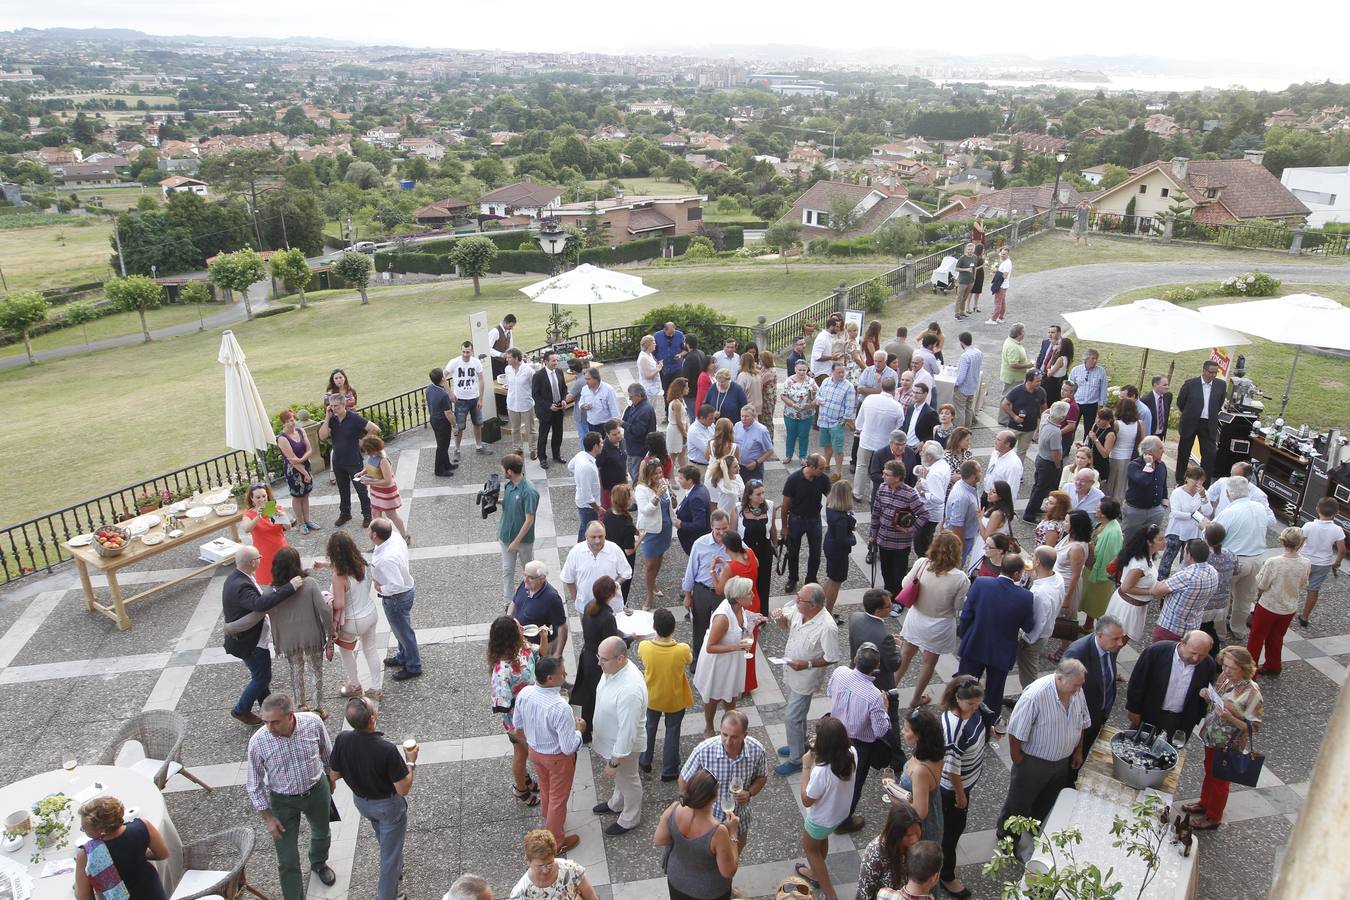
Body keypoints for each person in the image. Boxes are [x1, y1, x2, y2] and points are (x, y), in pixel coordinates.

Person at [247, 693, 336, 898]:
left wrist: (330, 778)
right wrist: (268, 818)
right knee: (287, 859)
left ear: (290, 716)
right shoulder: (258, 742)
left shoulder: (312, 722)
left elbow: (326, 750)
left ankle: (319, 863)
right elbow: (254, 784)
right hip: (282, 800)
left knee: (322, 834)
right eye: (266, 722)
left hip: (316, 789)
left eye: (275, 722)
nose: (269, 728)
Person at [329, 696, 416, 900]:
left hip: (361, 802)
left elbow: (334, 774)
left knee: (384, 835)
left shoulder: (343, 739)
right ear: (372, 718)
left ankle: (396, 865)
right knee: (389, 858)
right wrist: (410, 762)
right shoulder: (386, 750)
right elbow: (403, 788)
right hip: (387, 805)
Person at [995, 660, 1091, 845]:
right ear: (1060, 678)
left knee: (1047, 800)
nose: (1078, 690)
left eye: (1080, 685)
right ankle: (1007, 839)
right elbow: (1016, 731)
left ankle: (1035, 831)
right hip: (1034, 762)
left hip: (1062, 761)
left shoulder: (1076, 691)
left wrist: (1078, 751)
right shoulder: (1035, 695)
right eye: (1075, 686)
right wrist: (1018, 758)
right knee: (1019, 803)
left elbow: (1082, 722)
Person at [223, 547, 302, 726]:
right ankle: (241, 710)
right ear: (252, 562)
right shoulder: (241, 585)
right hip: (251, 642)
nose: (260, 560)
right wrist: (290, 587)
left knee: (259, 675)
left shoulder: (235, 578)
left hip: (245, 639)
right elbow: (259, 604)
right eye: (258, 558)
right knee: (262, 678)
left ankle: (267, 706)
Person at [513, 657, 585, 854]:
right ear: (550, 679)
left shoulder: (525, 693)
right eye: (562, 672)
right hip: (557, 758)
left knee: (545, 786)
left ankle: (548, 815)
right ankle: (556, 840)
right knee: (558, 798)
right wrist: (579, 730)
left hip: (535, 752)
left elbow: (517, 723)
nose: (566, 674)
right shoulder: (560, 706)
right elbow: (569, 746)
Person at [1188, 646, 1264, 832]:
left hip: (1229, 743)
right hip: (1212, 735)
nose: (1226, 671)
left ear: (1244, 668)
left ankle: (1214, 816)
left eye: (1231, 668)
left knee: (1220, 779)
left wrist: (1229, 717)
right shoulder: (1225, 678)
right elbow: (1217, 701)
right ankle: (1205, 802)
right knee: (1209, 770)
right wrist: (1207, 695)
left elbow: (1252, 728)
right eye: (1224, 665)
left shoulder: (1252, 693)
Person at [957, 555, 1036, 729]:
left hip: (975, 642)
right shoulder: (1025, 597)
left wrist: (964, 636)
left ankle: (959, 714)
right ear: (1017, 573)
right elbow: (1029, 626)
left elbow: (967, 613)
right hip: (1002, 650)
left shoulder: (981, 583)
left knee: (965, 683)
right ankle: (988, 723)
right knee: (994, 690)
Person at [771, 583, 841, 776]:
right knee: (798, 715)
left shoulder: (827, 627)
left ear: (813, 605)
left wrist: (807, 664)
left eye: (800, 599)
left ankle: (796, 759)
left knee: (792, 718)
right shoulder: (799, 608)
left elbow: (832, 657)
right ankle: (800, 745)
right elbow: (787, 626)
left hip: (806, 677)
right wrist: (780, 620)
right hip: (791, 671)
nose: (795, 600)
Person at [829, 642, 898, 835]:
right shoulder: (875, 696)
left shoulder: (839, 672)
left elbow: (829, 692)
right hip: (860, 746)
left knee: (833, 773)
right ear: (876, 668)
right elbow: (880, 730)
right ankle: (843, 821)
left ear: (855, 659)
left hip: (835, 735)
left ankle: (830, 807)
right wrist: (885, 709)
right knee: (854, 783)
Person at [895, 532, 970, 708]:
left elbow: (905, 584)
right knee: (929, 662)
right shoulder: (960, 578)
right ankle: (915, 698)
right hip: (940, 623)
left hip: (916, 617)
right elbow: (958, 607)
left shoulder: (922, 564)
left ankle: (890, 688)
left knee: (905, 654)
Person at [679, 710, 769, 855]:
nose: (728, 742)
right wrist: (691, 811)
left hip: (739, 818)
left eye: (734, 737)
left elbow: (762, 777)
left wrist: (750, 792)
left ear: (745, 735)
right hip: (708, 820)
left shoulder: (757, 750)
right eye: (724, 735)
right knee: (707, 858)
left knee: (733, 854)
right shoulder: (704, 750)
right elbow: (683, 780)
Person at [589, 635, 649, 836]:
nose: (599, 663)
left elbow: (627, 731)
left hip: (622, 748)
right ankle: (616, 803)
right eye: (599, 657)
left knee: (628, 780)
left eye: (603, 659)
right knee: (622, 780)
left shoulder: (629, 690)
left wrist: (614, 762)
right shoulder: (612, 669)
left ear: (621, 658)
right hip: (611, 742)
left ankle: (630, 818)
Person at [263, 548, 333, 716]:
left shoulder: (271, 591)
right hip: (311, 634)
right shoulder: (309, 583)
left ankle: (300, 705)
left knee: (296, 670)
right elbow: (323, 610)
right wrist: (330, 632)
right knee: (316, 670)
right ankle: (318, 707)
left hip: (289, 639)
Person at [796, 717, 857, 900]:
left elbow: (807, 799)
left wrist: (806, 766)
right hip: (839, 812)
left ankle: (830, 894)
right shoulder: (852, 752)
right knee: (821, 840)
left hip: (820, 819)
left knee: (811, 849)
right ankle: (815, 874)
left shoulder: (821, 771)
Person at [653, 769, 739, 900]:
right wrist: (733, 833)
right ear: (714, 797)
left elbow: (659, 839)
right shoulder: (718, 831)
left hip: (677, 880)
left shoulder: (674, 808)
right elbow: (728, 871)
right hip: (709, 891)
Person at [488, 615, 545, 807]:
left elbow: (541, 655)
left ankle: (526, 780)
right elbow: (502, 705)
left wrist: (544, 636)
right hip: (517, 721)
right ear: (511, 636)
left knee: (525, 753)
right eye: (519, 628)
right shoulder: (501, 670)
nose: (523, 629)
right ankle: (520, 789)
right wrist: (517, 731)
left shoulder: (523, 648)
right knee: (521, 754)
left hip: (530, 712)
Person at [936, 678, 986, 897]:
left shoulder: (972, 712)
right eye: (971, 704)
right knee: (952, 832)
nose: (975, 708)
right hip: (954, 789)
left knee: (952, 829)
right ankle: (946, 875)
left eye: (978, 703)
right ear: (957, 699)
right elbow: (951, 769)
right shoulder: (954, 728)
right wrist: (960, 794)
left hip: (966, 782)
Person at [74, 795, 170, 900]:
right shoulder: (143, 826)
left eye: (84, 829)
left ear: (100, 830)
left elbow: (83, 897)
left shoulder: (86, 855)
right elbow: (163, 854)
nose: (84, 831)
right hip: (152, 891)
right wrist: (138, 855)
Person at [1127, 630, 1217, 741]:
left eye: (1202, 655)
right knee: (1137, 745)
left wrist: (1196, 718)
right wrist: (1134, 709)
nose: (1196, 659)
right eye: (1193, 653)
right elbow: (1137, 682)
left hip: (1179, 720)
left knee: (1166, 754)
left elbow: (1204, 696)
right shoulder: (1156, 652)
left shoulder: (1208, 665)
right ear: (1183, 643)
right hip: (1149, 713)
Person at [1063, 616, 1129, 764]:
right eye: (1116, 639)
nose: (1120, 643)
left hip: (1097, 717)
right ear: (1100, 635)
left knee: (1082, 756)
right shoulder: (1077, 653)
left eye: (1122, 638)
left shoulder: (1108, 647)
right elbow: (1064, 692)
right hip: (1079, 723)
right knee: (1069, 762)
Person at [1216, 476, 1275, 641]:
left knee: (1223, 598)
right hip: (1257, 559)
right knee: (1245, 599)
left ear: (1228, 493)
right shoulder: (1260, 508)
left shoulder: (1228, 513)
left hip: (1234, 561)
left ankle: (1220, 633)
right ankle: (1239, 629)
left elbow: (1213, 536)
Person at [694, 575, 754, 735]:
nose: (753, 595)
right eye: (749, 593)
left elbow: (742, 625)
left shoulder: (739, 608)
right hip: (718, 663)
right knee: (713, 697)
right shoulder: (723, 618)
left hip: (732, 661)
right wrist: (737, 646)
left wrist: (754, 620)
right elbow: (710, 647)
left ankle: (731, 727)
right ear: (738, 598)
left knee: (731, 696)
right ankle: (709, 727)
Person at [638, 607, 693, 781]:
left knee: (649, 728)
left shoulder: (645, 647)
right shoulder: (682, 649)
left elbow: (641, 653)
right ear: (673, 628)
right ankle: (669, 769)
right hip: (675, 698)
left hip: (652, 696)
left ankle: (645, 760)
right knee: (673, 731)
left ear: (654, 627)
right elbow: (689, 660)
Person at [1250, 527, 1311, 675]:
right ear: (1301, 543)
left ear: (1283, 541)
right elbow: (1303, 583)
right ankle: (1273, 665)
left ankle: (1250, 670)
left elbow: (1262, 584)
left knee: (1256, 637)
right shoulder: (1306, 562)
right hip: (1289, 606)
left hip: (1269, 605)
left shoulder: (1273, 562)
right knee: (1277, 636)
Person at [320, 390, 381, 529]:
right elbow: (322, 436)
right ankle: (345, 513)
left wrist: (362, 442)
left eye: (337, 406)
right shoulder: (332, 420)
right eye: (332, 406)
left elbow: (374, 429)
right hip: (338, 461)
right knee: (343, 489)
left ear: (344, 405)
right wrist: (327, 418)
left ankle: (367, 514)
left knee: (361, 489)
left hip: (354, 461)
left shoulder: (354, 418)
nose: (334, 408)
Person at [714, 533, 763, 692]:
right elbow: (756, 564)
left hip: (740, 607)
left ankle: (737, 682)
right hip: (754, 601)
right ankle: (748, 683)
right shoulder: (749, 554)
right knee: (751, 645)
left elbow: (720, 590)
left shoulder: (730, 568)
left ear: (726, 547)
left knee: (738, 643)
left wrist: (713, 572)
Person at [1103, 523, 1165, 643]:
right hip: (1127, 609)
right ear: (1149, 542)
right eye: (1160, 539)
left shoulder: (1148, 556)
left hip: (1134, 607)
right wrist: (1151, 592)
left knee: (1116, 643)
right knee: (1115, 643)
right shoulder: (1140, 565)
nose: (1165, 541)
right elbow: (1126, 587)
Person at [1015, 546, 1064, 695]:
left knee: (1028, 672)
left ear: (1037, 562)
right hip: (1047, 630)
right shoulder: (1057, 578)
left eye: (1032, 556)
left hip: (1034, 638)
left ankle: (1031, 699)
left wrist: (1026, 640)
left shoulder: (1040, 594)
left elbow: (1038, 621)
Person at [1149, 539, 1218, 644]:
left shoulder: (1186, 576)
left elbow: (1156, 591)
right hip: (1193, 626)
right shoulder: (1213, 571)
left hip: (1171, 627)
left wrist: (1162, 581)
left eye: (1184, 551)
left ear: (1189, 555)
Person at [781, 454, 831, 593]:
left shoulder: (822, 479)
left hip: (814, 519)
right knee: (793, 552)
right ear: (810, 466)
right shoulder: (793, 479)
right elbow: (785, 505)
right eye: (821, 468)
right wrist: (784, 527)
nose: (824, 471)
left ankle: (811, 579)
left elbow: (831, 498)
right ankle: (793, 578)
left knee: (815, 553)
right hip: (796, 519)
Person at [897, 707, 945, 847]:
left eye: (906, 730)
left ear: (918, 735)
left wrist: (895, 796)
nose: (902, 732)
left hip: (920, 830)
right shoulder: (932, 753)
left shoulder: (920, 771)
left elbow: (919, 812)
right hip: (934, 812)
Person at [856, 801, 925, 899]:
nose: (915, 839)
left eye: (917, 833)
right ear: (896, 834)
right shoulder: (876, 853)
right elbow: (865, 891)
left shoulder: (915, 846)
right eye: (909, 835)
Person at [563, 522, 632, 618]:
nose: (597, 540)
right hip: (586, 607)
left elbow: (626, 572)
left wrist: (615, 584)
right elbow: (568, 578)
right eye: (593, 537)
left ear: (605, 535)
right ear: (586, 535)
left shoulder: (614, 549)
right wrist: (576, 600)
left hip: (613, 608)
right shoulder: (576, 552)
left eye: (601, 536)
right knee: (590, 633)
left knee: (613, 632)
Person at [509, 829, 599, 900]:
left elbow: (592, 898)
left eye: (549, 863)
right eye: (539, 866)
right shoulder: (521, 893)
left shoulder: (571, 869)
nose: (545, 870)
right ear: (528, 861)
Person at [1175, 360, 1226, 484]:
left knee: (1209, 455)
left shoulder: (1221, 385)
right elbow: (1180, 402)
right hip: (1190, 422)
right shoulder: (1190, 384)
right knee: (1184, 453)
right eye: (1211, 372)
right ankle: (1181, 480)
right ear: (1204, 370)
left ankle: (1204, 482)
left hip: (1208, 424)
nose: (1213, 375)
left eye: (1215, 372)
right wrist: (1190, 413)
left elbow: (1219, 403)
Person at [1159, 466, 1214, 579]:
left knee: (1186, 562)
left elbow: (1208, 512)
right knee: (1167, 559)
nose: (1198, 483)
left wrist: (1203, 496)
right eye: (1195, 479)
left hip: (1194, 533)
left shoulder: (1204, 493)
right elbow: (1176, 513)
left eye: (1201, 481)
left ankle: (1181, 582)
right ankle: (1161, 581)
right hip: (1177, 531)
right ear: (1187, 478)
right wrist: (1193, 515)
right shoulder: (1177, 492)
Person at [633, 458, 674, 609]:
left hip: (665, 527)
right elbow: (645, 510)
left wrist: (672, 494)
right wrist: (657, 496)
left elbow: (670, 505)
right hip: (650, 530)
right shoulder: (641, 489)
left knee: (660, 556)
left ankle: (654, 582)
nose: (659, 475)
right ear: (648, 475)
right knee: (650, 563)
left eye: (660, 472)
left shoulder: (663, 482)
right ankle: (649, 595)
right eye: (655, 473)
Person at [1301, 496, 1347, 627]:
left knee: (1294, 584)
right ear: (1336, 513)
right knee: (1313, 589)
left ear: (1317, 509)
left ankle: (1287, 609)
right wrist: (1337, 562)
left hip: (1305, 560)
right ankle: (1304, 617)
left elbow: (1298, 542)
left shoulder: (1308, 526)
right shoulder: (1337, 530)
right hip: (1323, 564)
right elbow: (1342, 550)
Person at [509, 560, 568, 658]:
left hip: (539, 648)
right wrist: (508, 620)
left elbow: (562, 627)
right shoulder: (525, 584)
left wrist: (558, 653)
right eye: (525, 575)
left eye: (531, 577)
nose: (525, 580)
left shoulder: (551, 598)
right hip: (520, 643)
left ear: (542, 579)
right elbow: (514, 602)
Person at [1021, 400, 1067, 524]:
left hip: (1040, 458)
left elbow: (1047, 411)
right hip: (1048, 463)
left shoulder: (1045, 419)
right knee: (1041, 489)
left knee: (1037, 486)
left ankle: (1034, 508)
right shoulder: (1056, 432)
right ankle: (1029, 514)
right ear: (1062, 417)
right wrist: (1058, 466)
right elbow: (1056, 452)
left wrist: (1059, 404)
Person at [1051, 510, 1092, 653]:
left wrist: (1067, 597)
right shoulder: (1069, 537)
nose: (1064, 523)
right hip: (1058, 581)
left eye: (1067, 521)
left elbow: (1075, 574)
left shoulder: (1076, 548)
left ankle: (1064, 649)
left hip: (1068, 586)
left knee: (1067, 619)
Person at [1081, 498, 1124, 627]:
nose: (1096, 509)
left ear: (1104, 514)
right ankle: (1088, 625)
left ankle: (1102, 631)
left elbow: (1109, 557)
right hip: (1092, 567)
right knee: (1091, 600)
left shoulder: (1113, 533)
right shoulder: (1103, 524)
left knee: (1098, 604)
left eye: (1098, 508)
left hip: (1101, 573)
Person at [446, 341, 489, 463]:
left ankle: (479, 446)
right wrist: (450, 393)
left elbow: (481, 380)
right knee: (459, 426)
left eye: (468, 352)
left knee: (477, 423)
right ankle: (457, 450)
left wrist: (480, 398)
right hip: (460, 400)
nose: (465, 354)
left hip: (474, 398)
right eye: (463, 352)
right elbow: (443, 376)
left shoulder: (476, 362)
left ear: (472, 351)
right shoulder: (454, 362)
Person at [739, 479, 778, 614]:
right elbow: (733, 532)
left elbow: (772, 528)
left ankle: (762, 612)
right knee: (747, 584)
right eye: (758, 494)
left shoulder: (770, 505)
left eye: (763, 493)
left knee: (763, 583)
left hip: (764, 551)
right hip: (746, 552)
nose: (762, 497)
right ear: (749, 495)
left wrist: (776, 545)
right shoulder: (738, 508)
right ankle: (746, 612)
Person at [241, 482, 290, 587]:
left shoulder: (276, 508)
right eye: (258, 497)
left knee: (287, 578)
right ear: (252, 499)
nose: (262, 499)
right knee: (270, 583)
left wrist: (282, 516)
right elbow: (246, 529)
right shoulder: (249, 514)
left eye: (264, 496)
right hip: (265, 554)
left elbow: (288, 527)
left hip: (281, 549)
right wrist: (258, 516)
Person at [276, 410, 317, 532]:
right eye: (287, 421)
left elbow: (310, 449)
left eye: (292, 420)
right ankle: (300, 523)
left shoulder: (301, 431)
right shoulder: (282, 438)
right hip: (293, 470)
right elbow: (292, 460)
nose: (290, 423)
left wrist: (302, 460)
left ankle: (307, 520)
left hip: (305, 464)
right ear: (283, 423)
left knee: (306, 494)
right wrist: (304, 473)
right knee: (297, 496)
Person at [359, 434, 407, 541]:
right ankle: (379, 539)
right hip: (376, 490)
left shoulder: (383, 460)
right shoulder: (372, 456)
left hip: (386, 491)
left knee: (391, 515)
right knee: (375, 514)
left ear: (373, 449)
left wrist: (370, 482)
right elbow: (369, 466)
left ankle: (404, 535)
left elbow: (388, 481)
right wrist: (362, 472)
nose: (366, 453)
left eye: (367, 450)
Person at [1122, 435, 1169, 541]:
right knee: (1129, 542)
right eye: (1160, 448)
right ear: (1149, 451)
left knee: (1149, 543)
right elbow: (1143, 481)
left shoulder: (1161, 465)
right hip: (1135, 511)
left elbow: (1163, 484)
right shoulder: (1134, 465)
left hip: (1155, 511)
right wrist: (1148, 464)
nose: (1163, 451)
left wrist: (1164, 503)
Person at [815, 362, 856, 481]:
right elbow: (818, 394)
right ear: (832, 372)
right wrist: (819, 400)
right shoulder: (826, 381)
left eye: (843, 372)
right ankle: (826, 464)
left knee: (838, 448)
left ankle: (838, 472)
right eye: (839, 372)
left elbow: (850, 407)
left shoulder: (848, 386)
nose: (842, 374)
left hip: (836, 423)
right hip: (824, 420)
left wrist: (843, 421)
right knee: (826, 444)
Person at [823, 480, 857, 616]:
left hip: (830, 545)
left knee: (831, 578)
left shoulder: (831, 506)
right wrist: (853, 538)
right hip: (838, 551)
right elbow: (843, 540)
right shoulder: (841, 518)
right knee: (836, 581)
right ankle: (828, 612)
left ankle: (818, 604)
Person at [532, 350, 570, 469]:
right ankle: (542, 458)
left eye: (556, 360)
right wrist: (549, 405)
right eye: (553, 360)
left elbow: (563, 388)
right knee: (543, 435)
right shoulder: (538, 376)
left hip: (559, 408)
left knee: (558, 433)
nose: (556, 363)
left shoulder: (559, 371)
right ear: (545, 362)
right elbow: (535, 395)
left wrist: (564, 399)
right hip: (546, 411)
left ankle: (556, 455)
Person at [944, 460, 984, 569]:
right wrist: (959, 548)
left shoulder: (966, 485)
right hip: (962, 538)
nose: (981, 473)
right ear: (972, 476)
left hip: (967, 536)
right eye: (979, 471)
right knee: (955, 567)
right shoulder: (962, 496)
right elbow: (957, 525)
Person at [603, 484, 639, 605]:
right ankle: (621, 605)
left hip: (609, 556)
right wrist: (640, 538)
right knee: (622, 588)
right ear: (626, 501)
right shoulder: (626, 524)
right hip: (624, 560)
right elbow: (629, 550)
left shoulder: (608, 514)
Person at [912, 443, 949, 559]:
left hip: (928, 513)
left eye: (923, 451)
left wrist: (922, 492)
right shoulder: (940, 463)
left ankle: (925, 566)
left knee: (921, 544)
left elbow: (938, 498)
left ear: (929, 457)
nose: (920, 453)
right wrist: (918, 469)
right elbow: (918, 470)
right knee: (925, 540)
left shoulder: (934, 474)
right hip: (929, 512)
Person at [1001, 369, 1047, 461]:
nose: (1039, 383)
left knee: (1022, 452)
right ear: (1029, 381)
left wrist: (1041, 423)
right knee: (1006, 449)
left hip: (1030, 429)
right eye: (1037, 381)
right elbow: (1004, 404)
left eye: (1040, 381)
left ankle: (1018, 472)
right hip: (1014, 427)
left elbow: (1044, 408)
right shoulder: (1017, 391)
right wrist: (1014, 417)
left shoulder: (1041, 392)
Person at [498, 348, 537, 456]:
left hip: (525, 404)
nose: (507, 359)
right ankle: (517, 447)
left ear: (516, 358)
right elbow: (509, 384)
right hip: (512, 404)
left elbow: (534, 386)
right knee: (515, 428)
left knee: (530, 429)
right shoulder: (507, 369)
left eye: (509, 357)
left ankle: (533, 449)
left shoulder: (529, 371)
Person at [1106, 397, 1143, 501]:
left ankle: (1109, 506)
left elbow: (1111, 439)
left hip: (1115, 456)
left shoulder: (1117, 424)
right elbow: (1142, 442)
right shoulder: (1139, 424)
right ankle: (1119, 505)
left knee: (1111, 485)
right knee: (1122, 486)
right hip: (1131, 457)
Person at [1068, 349, 1108, 442]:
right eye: (1093, 358)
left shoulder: (1101, 371)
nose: (1095, 361)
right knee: (1071, 427)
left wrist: (1101, 405)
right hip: (1077, 403)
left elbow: (1103, 389)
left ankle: (1086, 447)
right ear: (1086, 359)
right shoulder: (1076, 370)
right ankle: (1067, 446)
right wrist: (1068, 399)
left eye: (1096, 359)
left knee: (1089, 428)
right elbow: (1070, 386)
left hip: (1091, 404)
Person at [425, 368, 459, 478]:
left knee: (442, 444)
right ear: (442, 378)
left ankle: (447, 464)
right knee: (443, 446)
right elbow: (448, 413)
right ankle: (439, 469)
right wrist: (454, 425)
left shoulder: (429, 388)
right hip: (442, 423)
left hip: (434, 419)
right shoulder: (443, 395)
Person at [622, 383, 657, 484]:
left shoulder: (644, 410)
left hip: (639, 450)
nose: (629, 398)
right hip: (632, 448)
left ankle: (639, 496)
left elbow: (638, 431)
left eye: (631, 396)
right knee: (632, 472)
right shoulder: (636, 405)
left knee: (638, 477)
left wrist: (623, 424)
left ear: (639, 396)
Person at [676, 464, 713, 556]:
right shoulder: (699, 488)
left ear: (690, 481)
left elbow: (700, 524)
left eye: (681, 478)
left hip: (694, 539)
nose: (678, 480)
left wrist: (681, 524)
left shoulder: (696, 498)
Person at [488, 313, 517, 419]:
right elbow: (488, 348)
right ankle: (500, 408)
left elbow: (510, 345)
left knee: (506, 383)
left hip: (504, 361)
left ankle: (506, 405)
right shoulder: (495, 332)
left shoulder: (509, 332)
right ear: (505, 322)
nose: (511, 328)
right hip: (495, 362)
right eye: (510, 326)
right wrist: (500, 354)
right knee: (498, 384)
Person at [951, 332, 983, 429]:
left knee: (960, 410)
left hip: (963, 387)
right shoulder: (978, 352)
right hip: (973, 386)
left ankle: (960, 431)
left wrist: (956, 384)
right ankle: (967, 428)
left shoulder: (965, 356)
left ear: (961, 342)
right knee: (968, 408)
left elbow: (961, 375)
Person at [579, 368, 621, 435]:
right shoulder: (584, 389)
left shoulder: (608, 390)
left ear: (596, 378)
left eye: (588, 379)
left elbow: (615, 410)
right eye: (585, 379)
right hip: (591, 425)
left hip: (605, 425)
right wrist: (582, 406)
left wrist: (614, 429)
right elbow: (581, 402)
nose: (586, 382)